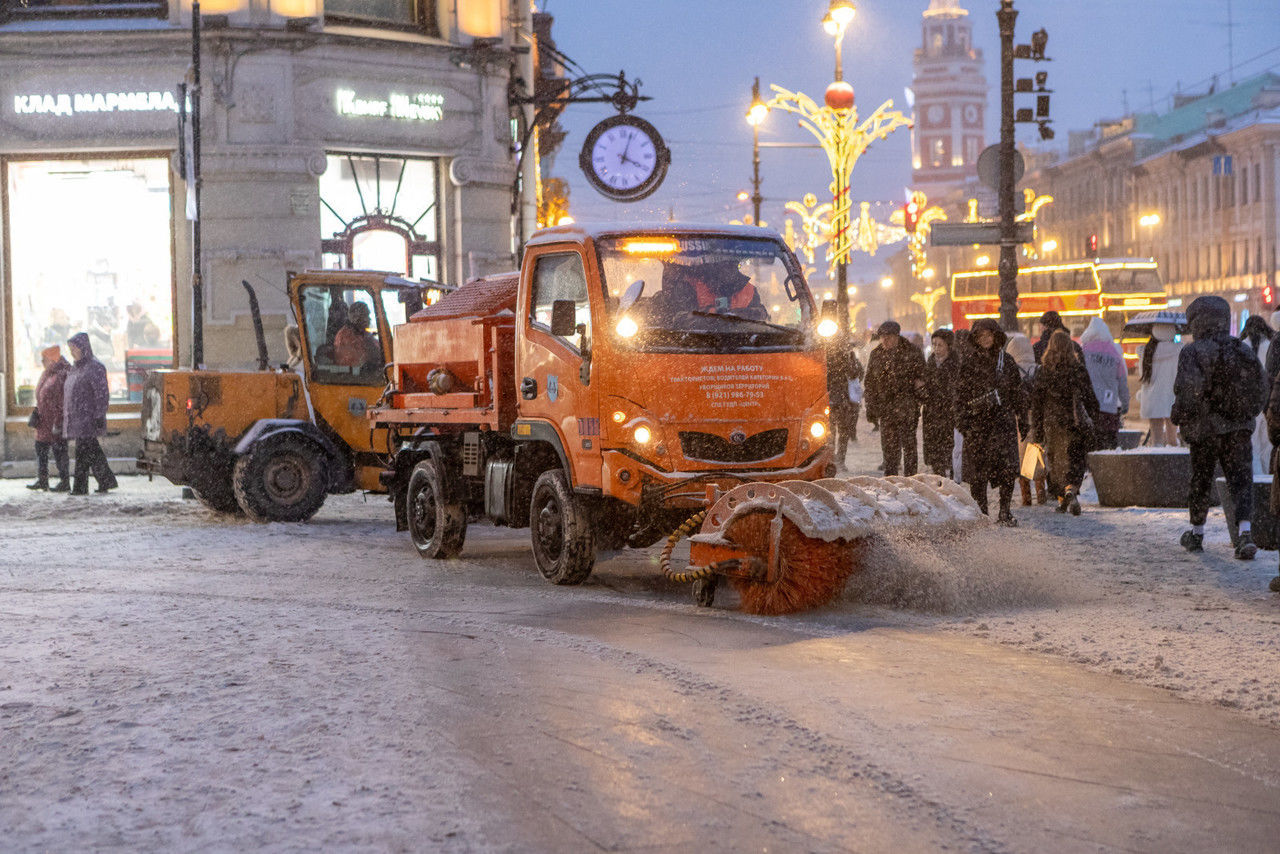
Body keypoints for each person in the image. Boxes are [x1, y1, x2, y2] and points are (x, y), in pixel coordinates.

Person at [1171, 295, 1267, 559]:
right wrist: (1246, 415)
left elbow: (1187, 392)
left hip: (1205, 431)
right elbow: (1262, 386)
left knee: (1201, 480)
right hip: (1238, 430)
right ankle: (1245, 534)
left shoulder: (1193, 351)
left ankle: (1197, 532)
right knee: (1241, 481)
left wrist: (1179, 416)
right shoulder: (1242, 349)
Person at [955, 318, 1026, 526]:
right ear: (975, 339)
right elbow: (959, 396)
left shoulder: (1007, 361)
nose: (985, 339)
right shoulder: (968, 363)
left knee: (1006, 472)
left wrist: (1022, 418)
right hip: (978, 427)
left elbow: (1017, 393)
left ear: (995, 336)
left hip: (1002, 425)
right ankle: (982, 513)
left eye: (988, 335)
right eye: (980, 336)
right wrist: (964, 423)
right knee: (978, 476)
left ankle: (1005, 511)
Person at [1030, 330, 1100, 515]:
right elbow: (1091, 399)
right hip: (1075, 423)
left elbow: (1037, 404)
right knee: (1075, 461)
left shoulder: (1044, 370)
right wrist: (1094, 418)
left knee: (1057, 463)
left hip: (1052, 424)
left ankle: (1064, 496)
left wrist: (1036, 430)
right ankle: (1071, 491)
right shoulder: (1078, 369)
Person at [863, 320, 926, 476]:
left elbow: (923, 377)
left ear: (897, 336)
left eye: (889, 337)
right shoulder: (876, 355)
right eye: (883, 337)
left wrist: (918, 393)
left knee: (909, 446)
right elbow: (870, 383)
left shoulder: (912, 352)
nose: (885, 340)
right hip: (886, 409)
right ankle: (891, 478)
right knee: (889, 447)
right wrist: (871, 407)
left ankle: (911, 479)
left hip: (908, 408)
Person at [63, 332, 117, 495]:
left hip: (88, 418)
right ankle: (106, 480)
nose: (72, 352)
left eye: (75, 348)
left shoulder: (95, 367)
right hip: (77, 418)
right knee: (92, 451)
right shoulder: (76, 368)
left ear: (84, 348)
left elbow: (101, 394)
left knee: (83, 453)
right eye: (70, 348)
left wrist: (99, 415)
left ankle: (80, 487)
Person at [1005, 331, 1045, 506]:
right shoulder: (1038, 369)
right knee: (1037, 453)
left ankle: (1026, 496)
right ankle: (1041, 492)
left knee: (1023, 456)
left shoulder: (1013, 371)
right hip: (1037, 417)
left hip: (1019, 417)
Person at [1079, 316, 1130, 450]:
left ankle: (1093, 464)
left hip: (1090, 405)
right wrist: (1125, 403)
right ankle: (1108, 463)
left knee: (1092, 439)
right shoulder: (1114, 352)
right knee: (1109, 438)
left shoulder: (1083, 352)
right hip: (1110, 404)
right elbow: (1122, 380)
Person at [27, 345, 71, 492]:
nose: (42, 362)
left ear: (52, 360)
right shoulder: (48, 373)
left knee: (60, 452)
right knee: (41, 450)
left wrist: (58, 422)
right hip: (43, 420)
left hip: (54, 422)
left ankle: (65, 481)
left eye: (44, 359)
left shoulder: (61, 375)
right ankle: (42, 480)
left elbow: (61, 401)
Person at [921, 328, 958, 478]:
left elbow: (955, 389)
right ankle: (939, 478)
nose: (936, 348)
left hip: (949, 414)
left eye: (940, 345)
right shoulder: (929, 363)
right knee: (935, 453)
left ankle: (951, 482)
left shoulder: (956, 365)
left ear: (948, 346)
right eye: (934, 344)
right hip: (931, 414)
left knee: (950, 450)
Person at [1240, 314, 1274, 475]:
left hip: (1249, 401)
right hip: (1268, 400)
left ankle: (1256, 476)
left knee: (1252, 444)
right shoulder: (1271, 345)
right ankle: (1268, 476)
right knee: (1267, 445)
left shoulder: (1242, 347)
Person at [1139, 322, 1182, 446]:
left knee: (1156, 440)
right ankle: (1171, 461)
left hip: (1153, 399)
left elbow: (1143, 377)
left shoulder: (1146, 351)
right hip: (1171, 398)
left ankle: (1157, 462)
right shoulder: (1178, 351)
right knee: (1172, 440)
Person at [825, 333, 864, 469]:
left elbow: (857, 374)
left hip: (842, 402)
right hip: (835, 401)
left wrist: (851, 359)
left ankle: (839, 460)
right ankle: (833, 460)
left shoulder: (849, 359)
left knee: (839, 433)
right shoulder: (828, 357)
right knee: (832, 433)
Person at [688, 260, 767, 321]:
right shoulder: (697, 286)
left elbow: (762, 317)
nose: (728, 271)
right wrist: (711, 314)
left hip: (742, 337)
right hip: (701, 338)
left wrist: (742, 314)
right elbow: (682, 319)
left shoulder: (749, 290)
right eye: (724, 266)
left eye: (731, 266)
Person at [334, 302, 382, 370]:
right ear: (357, 317)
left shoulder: (363, 333)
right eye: (366, 315)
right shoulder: (345, 336)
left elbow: (379, 349)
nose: (369, 319)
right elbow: (356, 363)